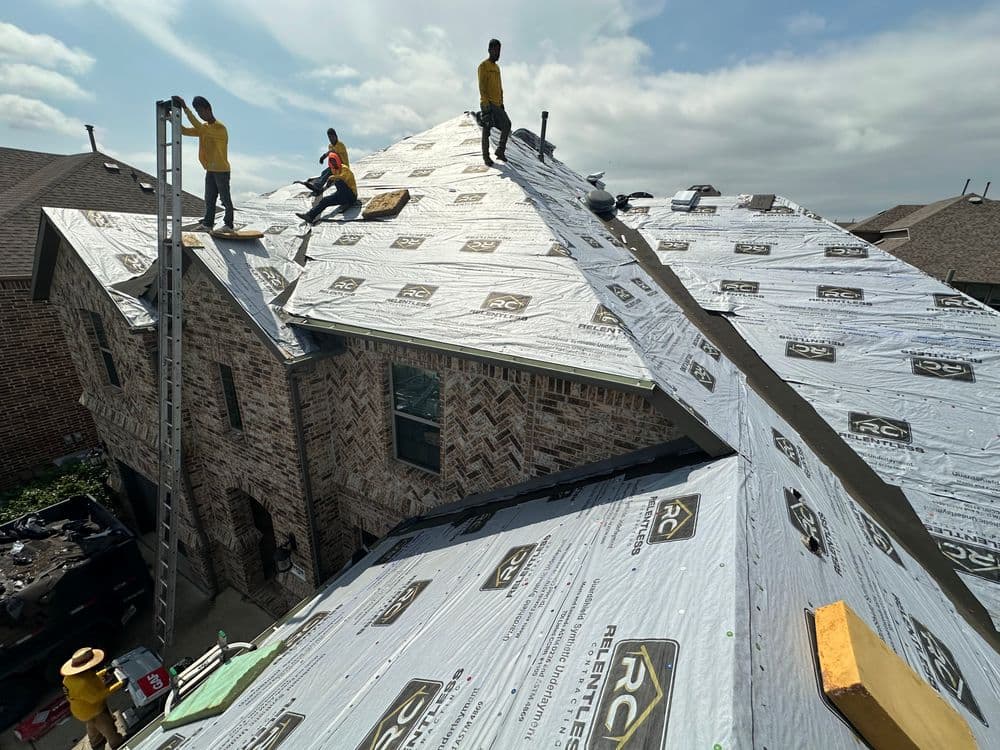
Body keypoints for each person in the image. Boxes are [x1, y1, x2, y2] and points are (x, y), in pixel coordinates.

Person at [173, 95, 234, 232]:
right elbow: (184, 131)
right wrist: (171, 117)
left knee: (225, 198)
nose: (200, 115)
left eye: (201, 111)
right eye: (198, 112)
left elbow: (197, 126)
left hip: (222, 170)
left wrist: (185, 108)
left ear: (208, 109)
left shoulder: (219, 128)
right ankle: (208, 224)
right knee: (209, 198)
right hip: (211, 169)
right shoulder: (204, 128)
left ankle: (229, 225)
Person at [61, 646, 126, 749]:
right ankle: (117, 744)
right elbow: (96, 697)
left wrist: (105, 672)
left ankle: (96, 743)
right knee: (109, 728)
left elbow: (91, 677)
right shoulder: (81, 684)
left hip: (82, 711)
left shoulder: (69, 678)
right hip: (94, 711)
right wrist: (119, 684)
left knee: (92, 726)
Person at [295, 152, 358, 225]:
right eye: (331, 161)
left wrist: (332, 178)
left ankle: (348, 202)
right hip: (342, 196)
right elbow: (327, 180)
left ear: (337, 160)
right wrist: (322, 189)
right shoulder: (333, 170)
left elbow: (342, 177)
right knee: (325, 200)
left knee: (339, 181)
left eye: (334, 160)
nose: (333, 163)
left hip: (351, 195)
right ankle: (309, 216)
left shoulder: (344, 168)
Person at [478, 38, 510, 167]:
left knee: (506, 125)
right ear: (490, 50)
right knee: (487, 129)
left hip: (498, 104)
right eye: (496, 50)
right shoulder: (483, 66)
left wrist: (501, 102)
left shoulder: (497, 68)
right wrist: (485, 104)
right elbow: (482, 86)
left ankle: (499, 151)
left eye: (499, 50)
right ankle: (487, 157)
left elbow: (499, 86)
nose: (498, 53)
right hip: (488, 103)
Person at [302, 128, 350, 195]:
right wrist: (323, 157)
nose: (331, 139)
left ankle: (318, 186)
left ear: (336, 136)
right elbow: (330, 152)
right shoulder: (330, 146)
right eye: (329, 137)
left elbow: (333, 152)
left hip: (343, 167)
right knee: (324, 172)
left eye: (332, 137)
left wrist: (324, 156)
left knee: (329, 172)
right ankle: (318, 184)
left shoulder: (340, 145)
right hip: (335, 166)